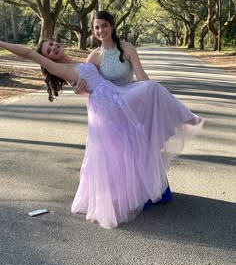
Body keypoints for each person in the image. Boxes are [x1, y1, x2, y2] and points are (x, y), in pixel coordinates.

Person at [0, 40, 204, 229]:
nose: (54, 48)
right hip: (105, 105)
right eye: (49, 51)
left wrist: (81, 90)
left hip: (113, 95)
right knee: (127, 132)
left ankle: (143, 186)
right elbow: (27, 52)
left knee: (138, 126)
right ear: (49, 59)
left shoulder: (79, 61)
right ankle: (184, 118)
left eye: (53, 44)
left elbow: (92, 76)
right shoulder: (59, 68)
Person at [74, 11, 172, 206]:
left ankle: (146, 191)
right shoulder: (93, 57)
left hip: (130, 102)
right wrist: (80, 91)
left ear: (112, 26)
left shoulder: (127, 48)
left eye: (103, 25)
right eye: (96, 27)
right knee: (116, 151)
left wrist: (149, 97)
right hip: (109, 109)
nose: (100, 30)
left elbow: (141, 76)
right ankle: (123, 192)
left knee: (138, 146)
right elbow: (91, 87)